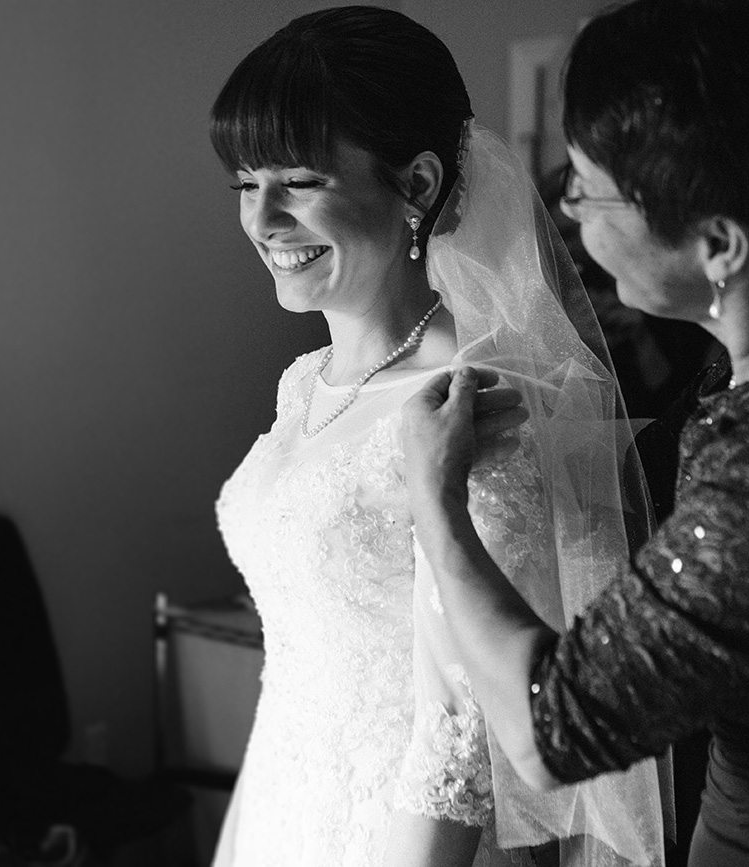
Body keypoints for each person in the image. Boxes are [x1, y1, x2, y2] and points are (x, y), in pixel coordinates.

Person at [400, 1, 749, 865]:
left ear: (719, 244)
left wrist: (437, 502)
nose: (570, 212)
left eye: (590, 189)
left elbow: (548, 726)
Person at [209, 7, 669, 866]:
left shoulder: (475, 402)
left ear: (417, 184)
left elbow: (464, 734)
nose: (263, 218)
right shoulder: (306, 383)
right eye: (245, 183)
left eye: (298, 181)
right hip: (285, 801)